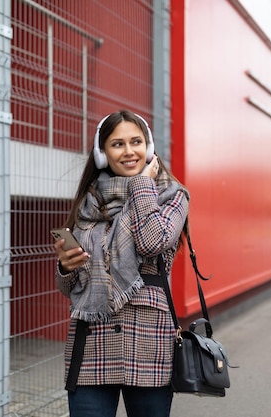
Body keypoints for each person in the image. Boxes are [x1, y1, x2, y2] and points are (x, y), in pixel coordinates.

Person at [53, 110, 189, 417]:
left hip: (147, 342)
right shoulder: (88, 202)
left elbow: (152, 242)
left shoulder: (173, 196)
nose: (128, 151)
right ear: (103, 154)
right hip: (91, 343)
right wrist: (66, 266)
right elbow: (69, 289)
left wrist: (142, 184)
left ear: (149, 148)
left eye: (136, 142)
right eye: (117, 144)